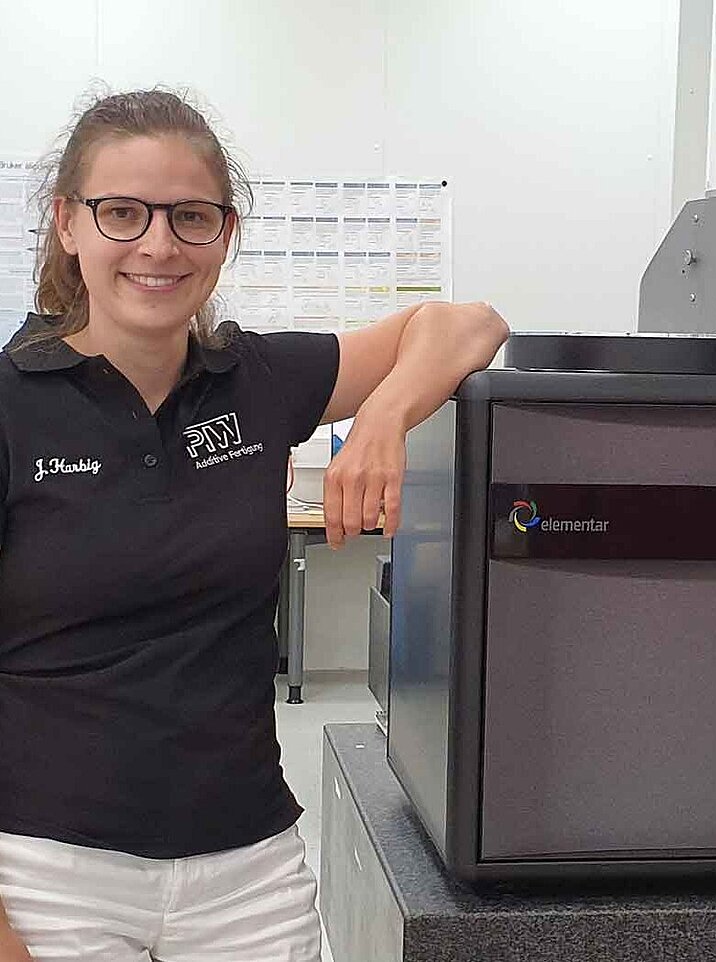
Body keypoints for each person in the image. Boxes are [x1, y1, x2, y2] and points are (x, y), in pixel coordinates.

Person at [0, 89, 508, 962]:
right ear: (67, 225)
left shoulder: (257, 379)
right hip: (49, 872)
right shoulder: (11, 406)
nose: (158, 245)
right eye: (122, 212)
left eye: (190, 217)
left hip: (248, 870)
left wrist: (381, 420)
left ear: (225, 235)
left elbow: (466, 324)